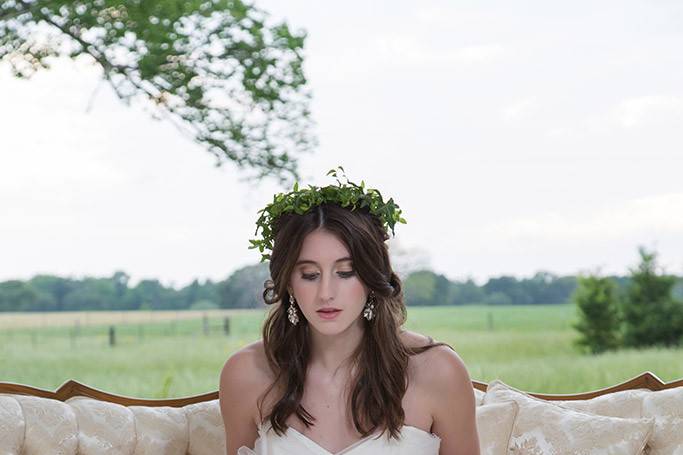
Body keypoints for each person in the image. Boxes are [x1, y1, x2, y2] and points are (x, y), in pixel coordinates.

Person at [219, 168, 480, 454]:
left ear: (371, 278)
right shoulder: (245, 374)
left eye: (345, 272)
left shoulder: (439, 371)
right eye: (309, 274)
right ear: (289, 283)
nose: (326, 293)